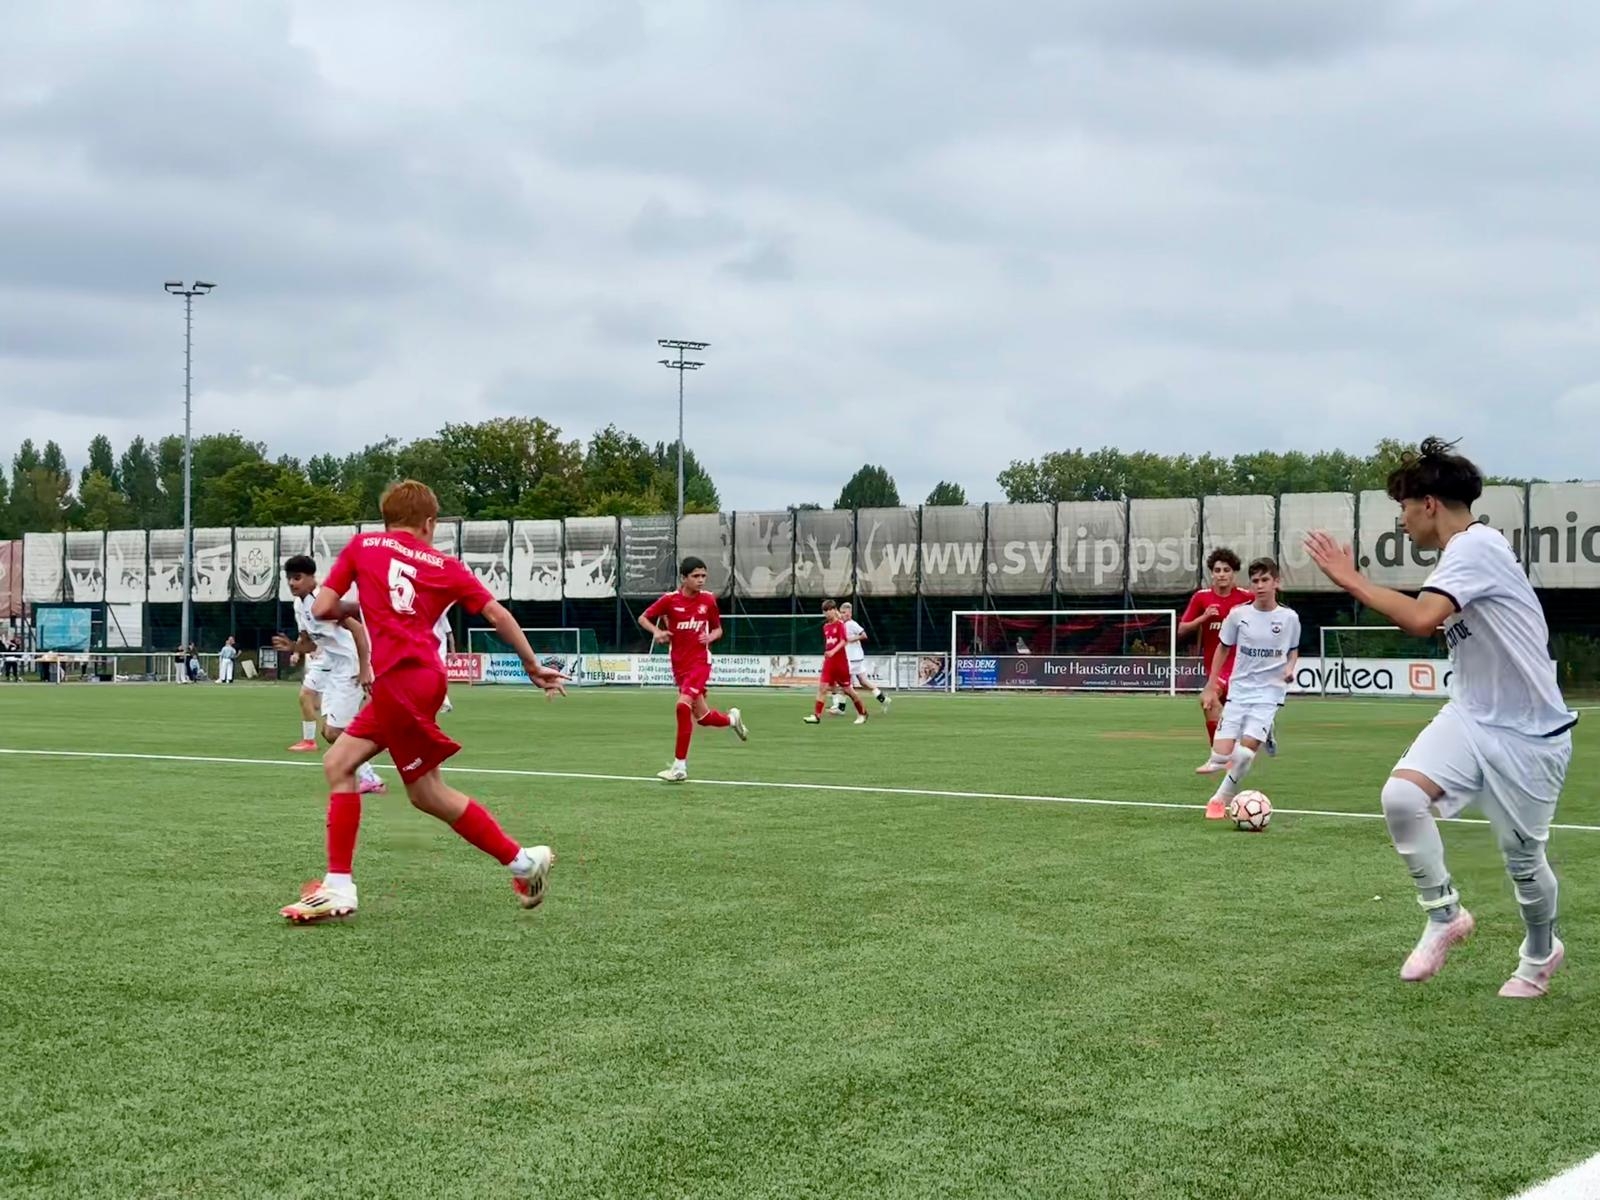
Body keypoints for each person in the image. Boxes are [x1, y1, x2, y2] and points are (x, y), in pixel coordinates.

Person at [1306, 438, 1577, 998]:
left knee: (1524, 862)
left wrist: (1352, 579)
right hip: (1471, 716)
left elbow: (1422, 619)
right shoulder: (1465, 554)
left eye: (1404, 507)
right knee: (1401, 797)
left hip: (1530, 734)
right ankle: (1444, 914)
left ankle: (1540, 951)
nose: (1402, 520)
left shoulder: (1475, 547)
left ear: (1429, 504)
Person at [279, 480, 566, 924]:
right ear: (430, 523)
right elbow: (497, 614)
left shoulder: (362, 545)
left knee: (426, 792)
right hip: (420, 679)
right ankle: (524, 863)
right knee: (345, 765)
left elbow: (322, 609)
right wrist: (531, 665)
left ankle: (341, 885)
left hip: (400, 682)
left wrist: (362, 605)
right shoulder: (445, 565)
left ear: (386, 520)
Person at [273, 555, 387, 797]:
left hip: (350, 665)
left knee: (334, 732)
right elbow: (310, 644)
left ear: (311, 578)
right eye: (289, 578)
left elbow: (358, 630)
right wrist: (293, 647)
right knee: (330, 732)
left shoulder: (324, 602)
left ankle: (372, 772)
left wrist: (364, 668)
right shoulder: (299, 606)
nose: (292, 583)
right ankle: (374, 758)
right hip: (333, 664)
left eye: (297, 578)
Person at [1195, 558, 1299, 821]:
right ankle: (1266, 731)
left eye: (1265, 580)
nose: (1260, 586)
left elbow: (1293, 650)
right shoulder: (1239, 615)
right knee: (1221, 754)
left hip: (1269, 692)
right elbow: (1223, 648)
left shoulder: (1289, 618)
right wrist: (1211, 685)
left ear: (1276, 582)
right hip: (1240, 689)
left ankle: (1219, 799)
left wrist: (1290, 668)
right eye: (1255, 581)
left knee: (1245, 753)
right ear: (1250, 585)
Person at [640, 557, 748, 783]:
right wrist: (657, 632)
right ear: (683, 578)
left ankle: (679, 767)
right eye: (696, 576)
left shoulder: (708, 600)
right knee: (703, 718)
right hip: (679, 665)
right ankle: (732, 720)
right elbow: (644, 618)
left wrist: (711, 636)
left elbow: (718, 629)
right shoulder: (670, 600)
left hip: (700, 662)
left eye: (703, 576)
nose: (701, 580)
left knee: (682, 706)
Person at [1179, 548, 1255, 750]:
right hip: (1215, 668)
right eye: (1217, 570)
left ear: (1234, 573)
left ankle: (1227, 752)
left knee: (1213, 703)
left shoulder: (1247, 598)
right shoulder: (1201, 598)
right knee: (1211, 704)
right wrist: (1203, 618)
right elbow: (1182, 629)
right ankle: (1222, 754)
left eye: (1226, 570)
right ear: (1212, 573)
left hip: (1242, 668)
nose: (1221, 574)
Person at [805, 599, 868, 725]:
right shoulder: (825, 627)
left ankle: (862, 713)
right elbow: (829, 644)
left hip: (840, 663)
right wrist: (827, 656)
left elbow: (843, 641)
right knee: (822, 688)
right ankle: (816, 716)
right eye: (825, 611)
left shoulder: (840, 624)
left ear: (834, 610)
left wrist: (833, 652)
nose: (827, 613)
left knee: (848, 690)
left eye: (829, 610)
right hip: (829, 663)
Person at [837, 602, 889, 713]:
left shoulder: (851, 624)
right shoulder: (843, 624)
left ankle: (841, 708)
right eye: (841, 612)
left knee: (844, 682)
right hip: (856, 657)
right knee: (863, 681)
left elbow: (864, 635)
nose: (842, 615)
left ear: (849, 613)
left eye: (844, 612)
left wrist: (850, 639)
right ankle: (883, 698)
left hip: (852, 659)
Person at [435, 609, 455, 714]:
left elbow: (450, 635)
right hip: (430, 653)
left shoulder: (442, 616)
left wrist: (453, 653)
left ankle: (446, 703)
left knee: (438, 679)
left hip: (440, 654)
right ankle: (444, 702)